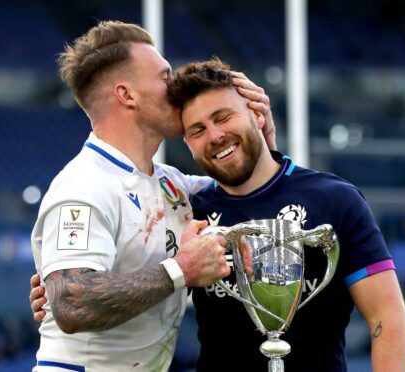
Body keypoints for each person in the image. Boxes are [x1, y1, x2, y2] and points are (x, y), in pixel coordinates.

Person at [32, 58, 405, 371]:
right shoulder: (189, 207)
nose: (214, 135)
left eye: (224, 117)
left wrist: (266, 153)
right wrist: (54, 288)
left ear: (257, 114)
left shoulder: (336, 199)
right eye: (197, 129)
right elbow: (87, 284)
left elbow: (387, 317)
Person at [29, 21, 274, 372]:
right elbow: (72, 303)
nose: (175, 87)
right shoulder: (83, 187)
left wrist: (262, 135)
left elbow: (249, 191)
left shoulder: (171, 183)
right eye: (164, 76)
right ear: (127, 95)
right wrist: (182, 269)